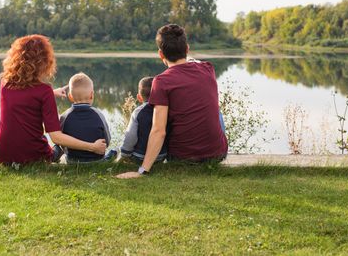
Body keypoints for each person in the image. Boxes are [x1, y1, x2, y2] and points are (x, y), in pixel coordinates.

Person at [117, 24, 228, 179]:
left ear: (160, 54)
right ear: (187, 49)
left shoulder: (162, 81)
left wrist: (142, 170)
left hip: (183, 158)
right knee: (217, 111)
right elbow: (191, 63)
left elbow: (158, 130)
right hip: (218, 153)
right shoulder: (208, 69)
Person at [0, 35, 106, 164]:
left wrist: (51, 93)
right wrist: (92, 147)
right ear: (44, 61)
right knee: (60, 146)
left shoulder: (5, 83)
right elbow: (56, 137)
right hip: (33, 157)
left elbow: (24, 95)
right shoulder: (44, 91)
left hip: (2, 154)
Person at [58, 72, 116, 163]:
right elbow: (107, 140)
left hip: (72, 160)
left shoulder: (64, 116)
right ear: (92, 95)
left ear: (70, 96)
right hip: (96, 159)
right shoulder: (98, 114)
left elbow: (60, 139)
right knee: (114, 152)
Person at [120, 76, 168, 162]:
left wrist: (125, 153)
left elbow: (131, 136)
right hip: (162, 155)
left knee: (116, 150)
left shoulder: (138, 112)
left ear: (139, 97)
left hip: (140, 156)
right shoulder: (166, 109)